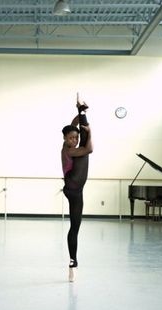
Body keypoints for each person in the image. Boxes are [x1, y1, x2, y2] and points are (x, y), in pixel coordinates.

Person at [61, 94, 93, 282]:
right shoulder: (69, 149)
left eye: (75, 137)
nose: (73, 140)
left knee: (75, 227)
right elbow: (89, 149)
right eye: (70, 138)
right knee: (86, 143)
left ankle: (73, 262)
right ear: (65, 138)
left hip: (76, 190)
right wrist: (89, 129)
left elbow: (75, 126)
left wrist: (79, 112)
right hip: (72, 189)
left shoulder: (71, 142)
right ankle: (73, 260)